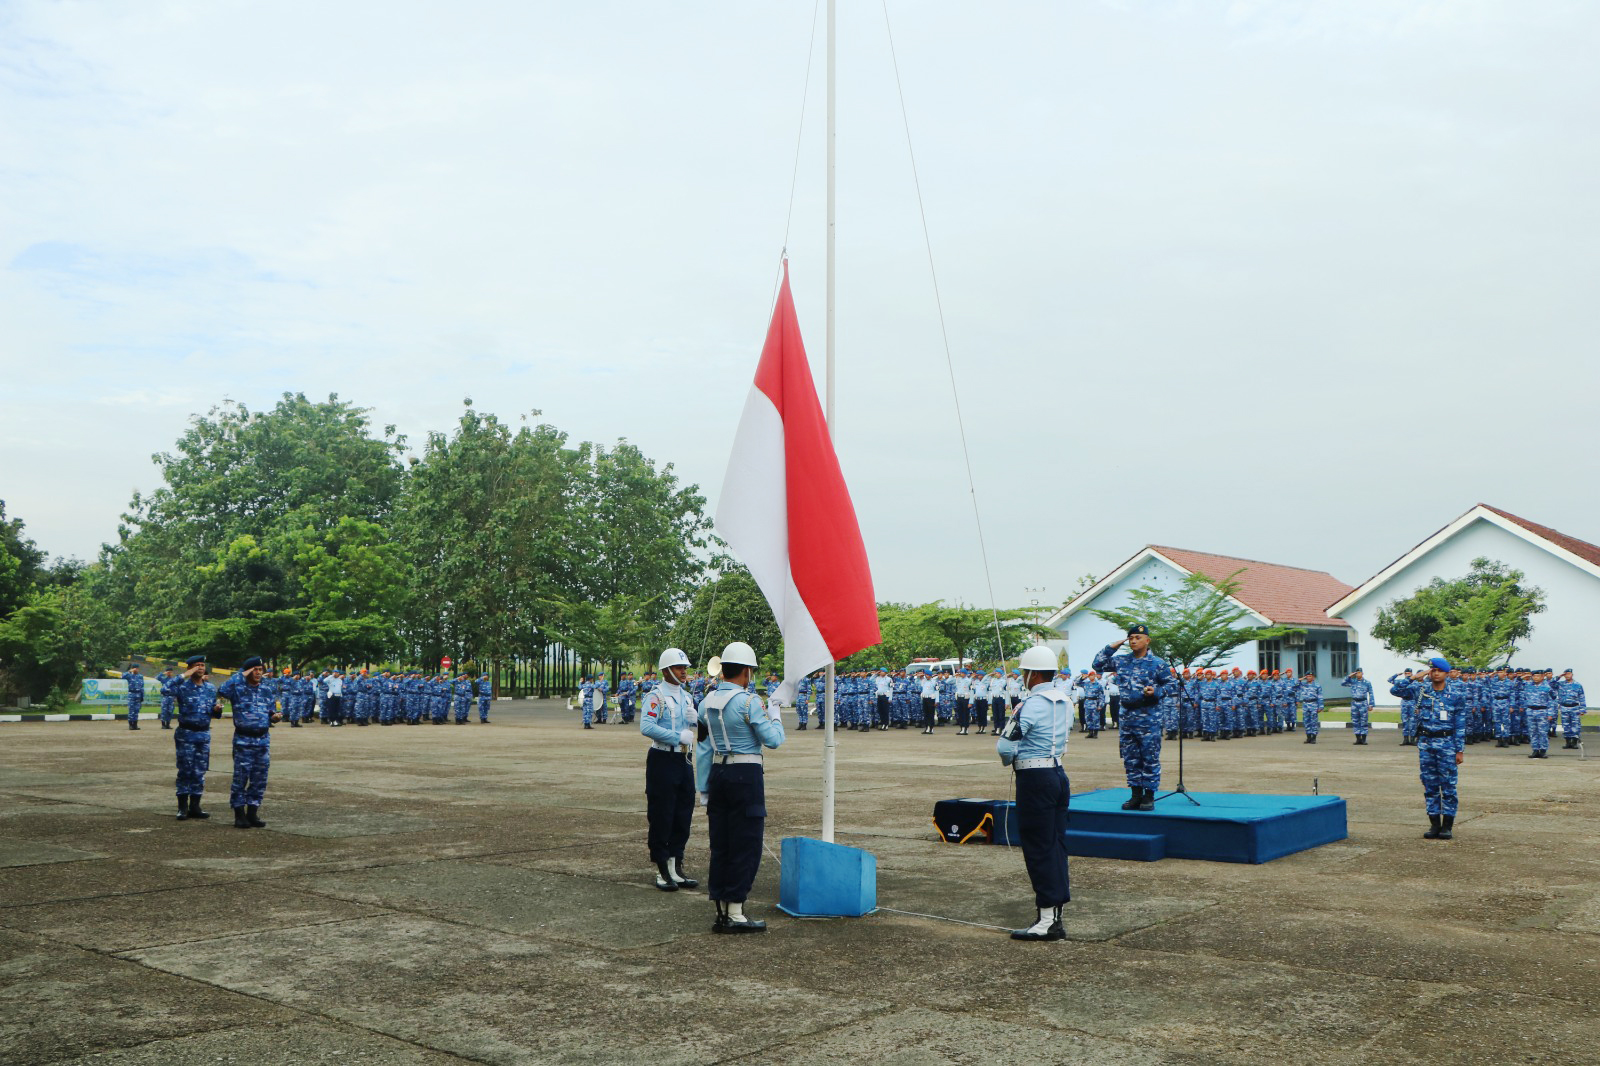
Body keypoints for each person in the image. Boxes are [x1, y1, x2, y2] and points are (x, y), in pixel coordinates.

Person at [701, 641, 784, 934]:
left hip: (718, 771)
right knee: (746, 843)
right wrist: (775, 713)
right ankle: (735, 911)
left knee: (721, 843)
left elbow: (701, 739)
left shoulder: (707, 701)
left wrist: (702, 787)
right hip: (746, 774)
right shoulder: (750, 702)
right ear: (747, 671)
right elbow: (773, 740)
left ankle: (722, 908)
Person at [995, 644, 1071, 942]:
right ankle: (1055, 914)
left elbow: (1005, 745)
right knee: (1055, 845)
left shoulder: (1030, 704)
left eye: (1024, 672)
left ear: (1034, 674)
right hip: (1057, 773)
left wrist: (1009, 760)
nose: (1022, 677)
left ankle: (1046, 920)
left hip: (1035, 777)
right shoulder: (1064, 700)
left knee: (1039, 847)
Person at [1093, 624, 1177, 812]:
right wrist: (1112, 646)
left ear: (1147, 640)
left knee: (1149, 756)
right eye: (1130, 638)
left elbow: (1172, 686)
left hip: (1148, 716)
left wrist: (1156, 691)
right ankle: (1135, 794)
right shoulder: (1121, 661)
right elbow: (1097, 665)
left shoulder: (1158, 663)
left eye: (1137, 638)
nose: (1133, 641)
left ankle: (1149, 795)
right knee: (1130, 757)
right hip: (1127, 716)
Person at [640, 648, 700, 892]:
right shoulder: (656, 696)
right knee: (662, 813)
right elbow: (646, 726)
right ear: (666, 671)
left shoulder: (686, 697)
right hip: (662, 758)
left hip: (684, 760)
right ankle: (662, 868)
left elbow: (694, 727)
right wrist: (677, 736)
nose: (684, 671)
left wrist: (696, 719)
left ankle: (677, 863)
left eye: (685, 667)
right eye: (678, 668)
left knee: (683, 813)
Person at [1390, 657, 1466, 840]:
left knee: (1448, 786)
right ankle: (1434, 824)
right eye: (1433, 670)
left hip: (1447, 744)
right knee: (1429, 784)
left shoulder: (1456, 695)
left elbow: (1460, 724)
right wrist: (1415, 677)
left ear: (1447, 673)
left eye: (1439, 670)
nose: (1436, 673)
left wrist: (1459, 750)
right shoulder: (1420, 690)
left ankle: (1447, 825)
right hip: (1426, 744)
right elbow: (1395, 689)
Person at [217, 656, 281, 829]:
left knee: (259, 778)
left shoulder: (266, 690)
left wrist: (274, 717)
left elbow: (271, 712)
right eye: (254, 669)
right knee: (241, 777)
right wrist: (241, 673)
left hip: (263, 739)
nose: (258, 673)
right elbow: (222, 690)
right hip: (243, 739)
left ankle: (253, 813)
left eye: (260, 669)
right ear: (247, 671)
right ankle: (239, 814)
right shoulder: (237, 688)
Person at [171, 655, 221, 820]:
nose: (200, 668)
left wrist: (216, 710)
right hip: (186, 734)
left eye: (202, 665)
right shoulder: (183, 687)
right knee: (185, 770)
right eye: (196, 665)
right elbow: (165, 689)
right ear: (189, 669)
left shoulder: (210, 688)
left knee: (199, 771)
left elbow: (212, 711)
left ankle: (195, 806)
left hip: (203, 734)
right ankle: (182, 807)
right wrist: (184, 675)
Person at [1342, 669, 1374, 745]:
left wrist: (1371, 704)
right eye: (1356, 673)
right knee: (1355, 721)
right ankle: (1358, 739)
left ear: (1362, 673)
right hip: (1354, 703)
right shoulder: (1353, 682)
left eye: (1359, 672)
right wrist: (1349, 676)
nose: (1358, 674)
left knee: (1364, 721)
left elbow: (1371, 693)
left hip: (1363, 702)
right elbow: (1343, 683)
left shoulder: (1367, 683)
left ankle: (1364, 739)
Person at [1557, 669, 1586, 749]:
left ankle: (1574, 742)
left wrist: (1582, 709)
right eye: (1565, 674)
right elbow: (1550, 683)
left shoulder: (1577, 685)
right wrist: (1559, 676)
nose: (1567, 675)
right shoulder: (1560, 684)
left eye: (1569, 674)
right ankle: (1568, 742)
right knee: (1566, 725)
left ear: (1572, 674)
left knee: (1575, 726)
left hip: (1574, 707)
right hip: (1564, 707)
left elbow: (1581, 697)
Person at [1298, 672, 1324, 743]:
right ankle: (1308, 737)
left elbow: (1320, 696)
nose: (1309, 677)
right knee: (1306, 721)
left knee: (1313, 721)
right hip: (1305, 704)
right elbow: (1294, 684)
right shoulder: (1303, 685)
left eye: (1310, 676)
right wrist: (1301, 679)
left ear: (1313, 677)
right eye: (1307, 676)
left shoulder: (1317, 685)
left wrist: (1320, 706)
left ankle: (1314, 737)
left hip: (1313, 704)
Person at [121, 663, 145, 730]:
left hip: (138, 694)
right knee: (131, 710)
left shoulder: (140, 676)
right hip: (132, 694)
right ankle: (131, 725)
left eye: (137, 668)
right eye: (135, 668)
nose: (136, 669)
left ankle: (135, 725)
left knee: (137, 710)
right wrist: (129, 671)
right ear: (132, 668)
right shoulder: (129, 675)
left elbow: (142, 686)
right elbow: (122, 676)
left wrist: (142, 696)